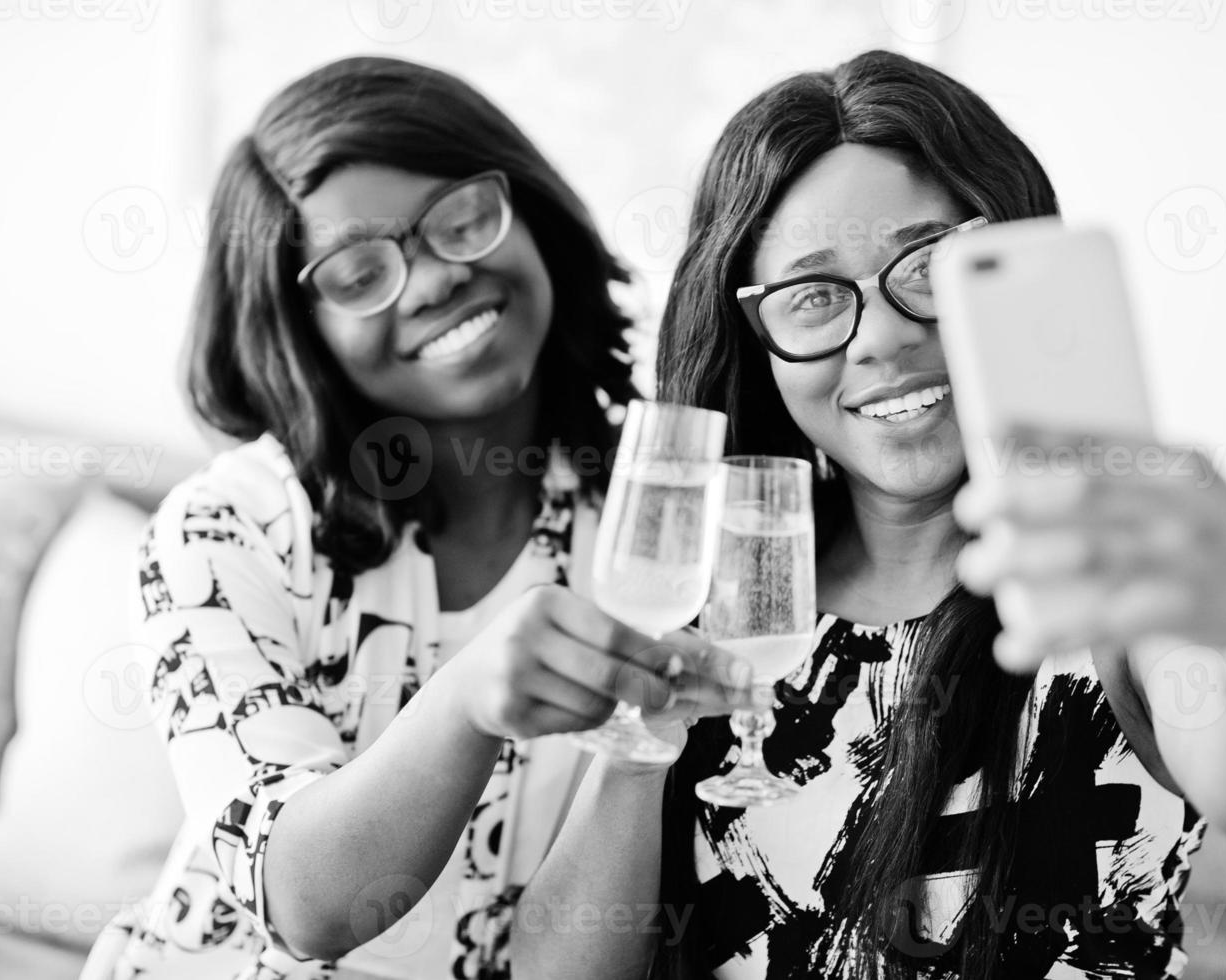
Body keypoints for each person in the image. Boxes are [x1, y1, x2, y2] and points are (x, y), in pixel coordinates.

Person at [515, 49, 1226, 980]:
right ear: (757, 342)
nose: (881, 338)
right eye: (813, 295)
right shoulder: (721, 599)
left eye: (929, 268)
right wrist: (637, 749)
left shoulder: (1098, 573)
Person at [80, 56, 751, 980]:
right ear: (298, 329)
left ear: (531, 214)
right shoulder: (220, 532)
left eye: (462, 221)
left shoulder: (652, 524)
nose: (432, 280)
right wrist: (471, 695)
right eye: (359, 274)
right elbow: (309, 907)